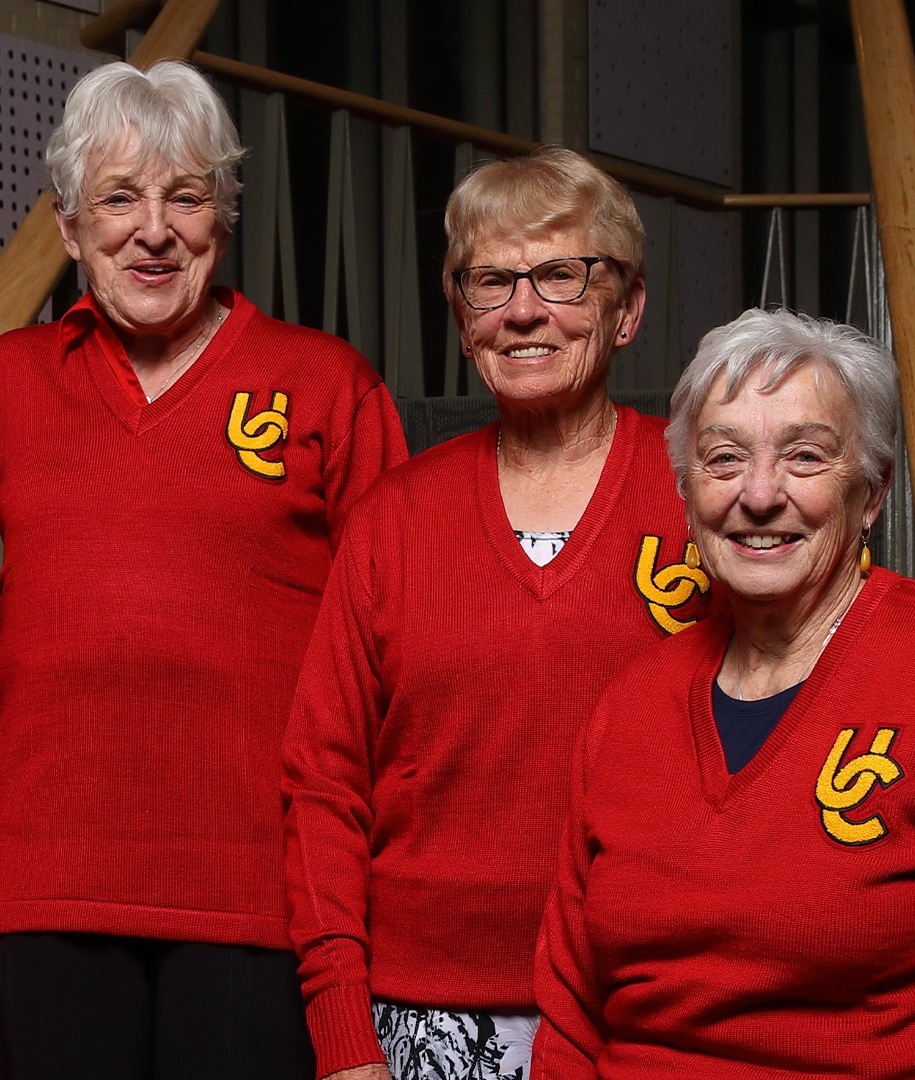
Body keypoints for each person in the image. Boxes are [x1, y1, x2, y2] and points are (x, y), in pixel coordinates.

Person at [0, 59, 407, 1080]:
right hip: (46, 884)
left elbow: (401, 642)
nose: (154, 230)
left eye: (185, 196)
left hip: (260, 892)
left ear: (222, 220)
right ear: (69, 228)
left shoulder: (326, 385)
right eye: (120, 199)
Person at [531, 308, 915, 1077]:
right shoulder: (629, 707)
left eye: (805, 457)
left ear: (872, 492)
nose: (758, 494)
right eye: (722, 460)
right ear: (686, 493)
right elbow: (572, 1020)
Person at [282, 148, 709, 1080]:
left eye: (561, 275)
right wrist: (345, 1034)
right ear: (464, 319)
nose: (523, 310)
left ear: (627, 308)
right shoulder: (395, 518)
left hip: (651, 1008)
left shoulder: (704, 501)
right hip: (421, 1022)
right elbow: (325, 785)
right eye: (490, 282)